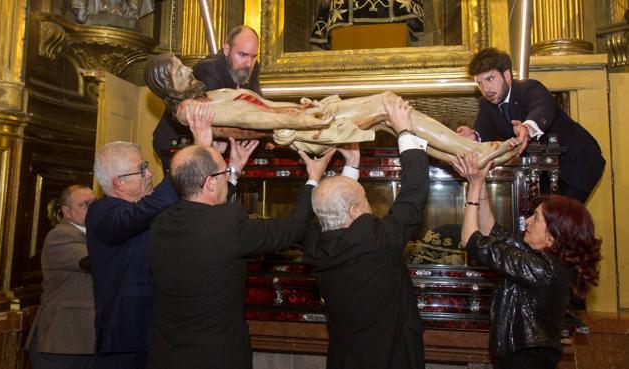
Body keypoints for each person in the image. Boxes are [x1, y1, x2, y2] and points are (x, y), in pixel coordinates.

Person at [146, 134, 336, 369]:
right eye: (223, 172)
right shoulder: (228, 223)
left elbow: (206, 213)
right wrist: (313, 179)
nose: (227, 176)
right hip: (216, 357)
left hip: (166, 355)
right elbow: (292, 229)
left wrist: (234, 169)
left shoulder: (160, 223)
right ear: (210, 182)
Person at [144, 54, 522, 169]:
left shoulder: (201, 97)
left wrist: (298, 107)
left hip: (297, 121)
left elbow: (261, 106)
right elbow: (250, 118)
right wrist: (299, 119)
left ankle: (465, 156)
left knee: (392, 116)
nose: (187, 70)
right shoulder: (192, 109)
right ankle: (469, 151)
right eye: (178, 72)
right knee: (388, 104)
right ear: (166, 87)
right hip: (301, 131)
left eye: (181, 64)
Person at [302, 98, 428, 369]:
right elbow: (414, 194)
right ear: (354, 212)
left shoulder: (314, 247)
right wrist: (405, 132)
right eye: (366, 203)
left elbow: (334, 205)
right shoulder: (376, 244)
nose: (370, 209)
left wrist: (353, 165)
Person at [454, 151, 602, 369]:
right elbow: (490, 232)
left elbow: (472, 241)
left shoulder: (545, 269)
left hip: (526, 360)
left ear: (552, 237)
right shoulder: (543, 260)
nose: (528, 220)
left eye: (536, 218)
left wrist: (473, 188)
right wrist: (481, 182)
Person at [458, 47, 606, 203]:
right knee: (542, 219)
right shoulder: (486, 105)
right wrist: (473, 136)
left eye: (490, 79)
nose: (486, 89)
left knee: (559, 222)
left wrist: (527, 128)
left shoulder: (529, 88)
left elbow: (542, 108)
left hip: (579, 163)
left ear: (507, 75)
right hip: (543, 170)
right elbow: (482, 130)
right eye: (480, 83)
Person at [85, 141, 179, 369]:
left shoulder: (147, 210)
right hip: (124, 338)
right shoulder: (102, 212)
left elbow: (189, 206)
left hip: (153, 334)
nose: (150, 173)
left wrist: (232, 170)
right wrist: (186, 164)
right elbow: (145, 210)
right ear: (120, 183)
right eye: (142, 168)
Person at [150, 25, 261, 171]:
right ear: (226, 50)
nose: (249, 63)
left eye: (253, 57)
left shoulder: (250, 66)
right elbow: (216, 117)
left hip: (212, 143)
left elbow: (257, 104)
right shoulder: (209, 70)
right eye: (242, 55)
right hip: (175, 142)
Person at [27, 185, 96, 369]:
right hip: (63, 338)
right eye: (85, 204)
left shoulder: (92, 235)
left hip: (84, 339)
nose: (92, 209)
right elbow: (92, 261)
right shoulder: (61, 234)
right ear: (67, 212)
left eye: (95, 204)